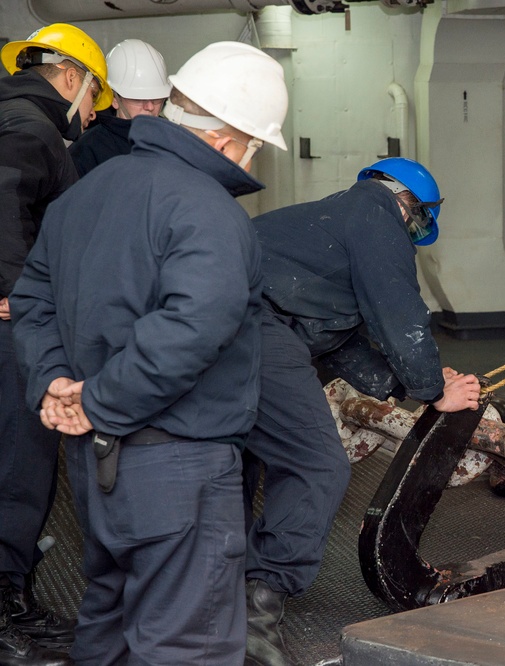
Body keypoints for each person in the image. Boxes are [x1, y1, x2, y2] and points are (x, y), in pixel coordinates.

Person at [9, 41, 289, 664]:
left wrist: (55, 381)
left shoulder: (88, 189)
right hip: (176, 467)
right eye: (253, 146)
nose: (249, 158)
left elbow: (32, 298)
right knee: (187, 639)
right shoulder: (208, 210)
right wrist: (101, 402)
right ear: (226, 141)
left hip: (95, 467)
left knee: (108, 621)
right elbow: (191, 327)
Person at [243, 156, 480, 665]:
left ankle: (218, 589)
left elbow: (339, 340)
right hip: (255, 327)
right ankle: (256, 611)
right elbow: (400, 312)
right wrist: (434, 392)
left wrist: (422, 383)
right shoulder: (376, 214)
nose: (413, 230)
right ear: (407, 203)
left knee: (235, 455)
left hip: (224, 322)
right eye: (418, 219)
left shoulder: (329, 226)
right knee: (316, 462)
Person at [0, 22, 111, 663]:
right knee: (20, 467)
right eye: (95, 94)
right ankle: (6, 610)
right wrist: (18, 293)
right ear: (71, 78)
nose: (93, 112)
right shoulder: (32, 128)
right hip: (14, 330)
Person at [70, 39, 171, 176]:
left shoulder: (175, 140)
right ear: (114, 99)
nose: (150, 106)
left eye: (157, 98)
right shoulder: (87, 151)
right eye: (138, 99)